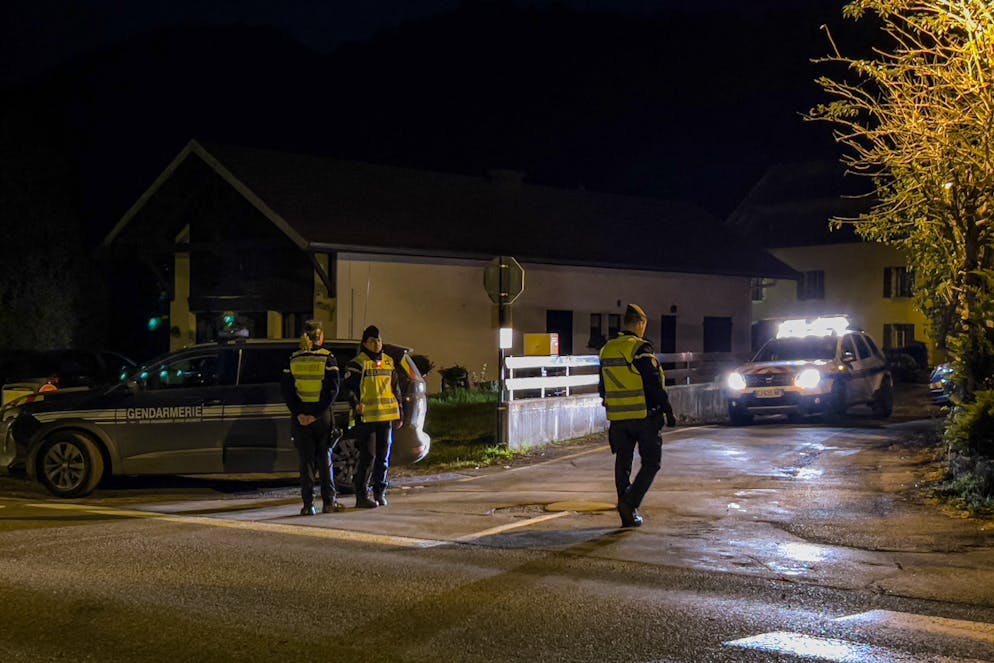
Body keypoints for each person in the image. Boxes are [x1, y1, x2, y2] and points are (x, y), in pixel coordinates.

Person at [598, 303, 676, 528]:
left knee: (623, 463)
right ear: (641, 323)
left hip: (618, 418)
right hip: (644, 417)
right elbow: (653, 383)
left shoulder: (607, 349)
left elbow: (602, 387)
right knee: (652, 463)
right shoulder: (640, 348)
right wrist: (667, 410)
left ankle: (626, 512)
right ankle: (630, 503)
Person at [280, 319, 343, 516]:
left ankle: (308, 505)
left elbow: (287, 390)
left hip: (301, 417)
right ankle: (329, 503)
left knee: (306, 461)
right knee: (325, 460)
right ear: (320, 337)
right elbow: (332, 390)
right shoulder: (327, 358)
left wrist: (300, 413)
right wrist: (316, 414)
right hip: (321, 416)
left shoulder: (293, 359)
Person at [342, 325, 403, 508]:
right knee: (367, 457)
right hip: (366, 417)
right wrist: (355, 404)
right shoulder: (357, 364)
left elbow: (395, 388)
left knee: (383, 457)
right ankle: (362, 496)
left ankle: (380, 492)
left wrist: (400, 410)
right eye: (372, 341)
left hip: (386, 417)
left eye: (378, 340)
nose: (376, 344)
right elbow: (348, 389)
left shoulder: (388, 362)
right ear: (364, 343)